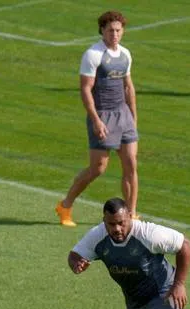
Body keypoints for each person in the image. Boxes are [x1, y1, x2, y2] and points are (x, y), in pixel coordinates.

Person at [55, 11, 139, 227]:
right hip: (103, 114)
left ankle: (132, 214)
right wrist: (96, 120)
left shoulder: (125, 54)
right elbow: (85, 89)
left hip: (124, 115)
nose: (115, 34)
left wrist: (133, 117)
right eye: (110, 30)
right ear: (102, 30)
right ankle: (65, 205)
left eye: (118, 30)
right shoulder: (93, 55)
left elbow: (128, 86)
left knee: (131, 164)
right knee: (98, 168)